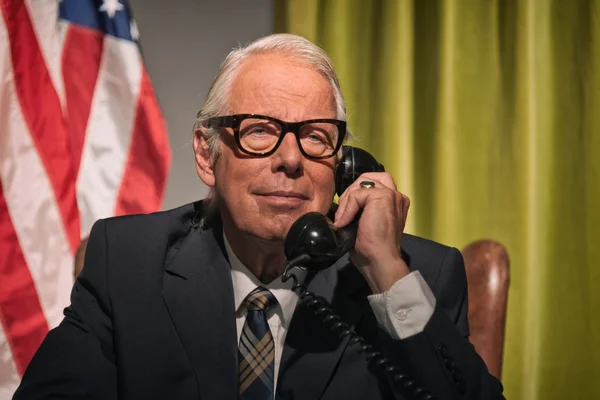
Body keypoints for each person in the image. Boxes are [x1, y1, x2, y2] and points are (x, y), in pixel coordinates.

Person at [14, 34, 503, 399]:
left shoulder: (416, 276)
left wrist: (386, 274)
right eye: (260, 130)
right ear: (208, 156)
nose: (290, 159)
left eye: (315, 135)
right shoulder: (128, 263)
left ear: (345, 166)